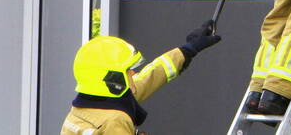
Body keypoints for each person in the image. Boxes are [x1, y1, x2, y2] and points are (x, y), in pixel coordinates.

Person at [60, 21, 221, 134]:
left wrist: (188, 49)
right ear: (111, 79)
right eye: (127, 70)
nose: (133, 73)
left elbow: (150, 76)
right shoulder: (115, 119)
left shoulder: (84, 107)